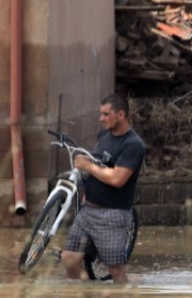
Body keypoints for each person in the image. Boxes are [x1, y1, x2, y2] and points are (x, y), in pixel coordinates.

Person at [61, 93, 144, 283]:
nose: (101, 119)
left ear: (121, 115)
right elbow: (98, 163)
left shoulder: (133, 144)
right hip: (88, 210)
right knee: (69, 258)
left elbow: (117, 179)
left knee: (116, 270)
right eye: (101, 114)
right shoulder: (104, 134)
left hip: (113, 215)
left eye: (106, 114)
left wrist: (88, 166)